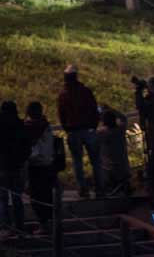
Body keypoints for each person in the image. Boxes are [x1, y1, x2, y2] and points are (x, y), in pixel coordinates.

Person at [56, 65, 102, 197]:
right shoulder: (85, 91)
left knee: (77, 162)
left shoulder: (63, 94)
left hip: (73, 131)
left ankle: (83, 189)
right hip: (88, 129)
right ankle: (100, 189)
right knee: (96, 161)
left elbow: (61, 115)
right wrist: (94, 125)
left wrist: (67, 128)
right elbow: (94, 108)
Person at [0, 100, 30, 239]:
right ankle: (20, 227)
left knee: (2, 199)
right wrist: (21, 160)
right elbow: (27, 147)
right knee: (17, 199)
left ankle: (6, 227)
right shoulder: (20, 125)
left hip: (0, 166)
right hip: (17, 167)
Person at [23, 100, 60, 234]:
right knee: (47, 196)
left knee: (37, 198)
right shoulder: (46, 125)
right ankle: (49, 223)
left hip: (36, 166)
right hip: (49, 165)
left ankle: (44, 224)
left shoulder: (31, 127)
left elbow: (30, 147)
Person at [97, 109, 132, 196]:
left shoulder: (101, 133)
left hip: (109, 170)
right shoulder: (120, 130)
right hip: (124, 168)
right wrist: (111, 109)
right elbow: (124, 117)